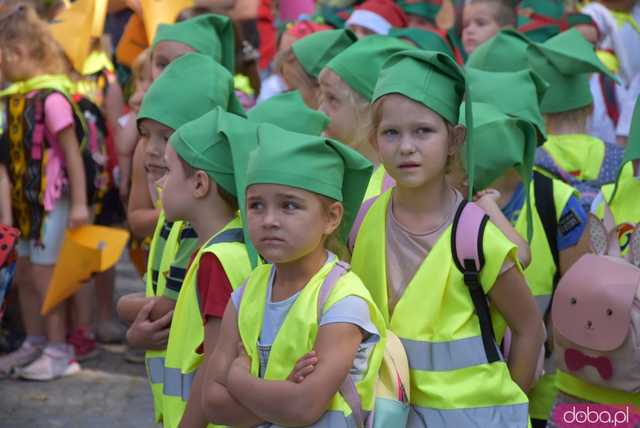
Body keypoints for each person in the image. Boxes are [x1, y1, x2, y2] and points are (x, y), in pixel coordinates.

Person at [350, 49, 545, 426]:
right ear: (375, 140)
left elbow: (529, 327)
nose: (407, 146)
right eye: (392, 132)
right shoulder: (365, 219)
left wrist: (509, 407)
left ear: (454, 138)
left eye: (423, 130)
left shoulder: (475, 236)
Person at [202, 122, 387, 428]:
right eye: (256, 205)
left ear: (331, 218)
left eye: (289, 205)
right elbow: (212, 403)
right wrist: (281, 394)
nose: (269, 220)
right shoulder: (246, 292)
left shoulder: (343, 300)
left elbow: (303, 407)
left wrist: (238, 380)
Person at [115, 52, 244, 424]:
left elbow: (169, 312)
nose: (152, 149)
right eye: (145, 135)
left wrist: (125, 307)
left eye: (166, 138)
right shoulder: (175, 212)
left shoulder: (201, 228)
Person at [0, 3, 89, 380]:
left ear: (16, 54)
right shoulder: (13, 99)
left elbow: (72, 155)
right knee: (25, 276)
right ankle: (34, 341)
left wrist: (82, 205)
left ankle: (59, 350)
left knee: (46, 277)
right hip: (25, 204)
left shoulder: (52, 98)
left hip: (51, 204)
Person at [159, 107, 255, 428]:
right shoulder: (230, 244)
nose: (160, 182)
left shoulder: (217, 259)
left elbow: (215, 364)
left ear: (200, 184)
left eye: (168, 171)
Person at [319, 35, 409, 200]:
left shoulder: (393, 192)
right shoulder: (328, 168)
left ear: (372, 111)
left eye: (332, 99)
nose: (320, 111)